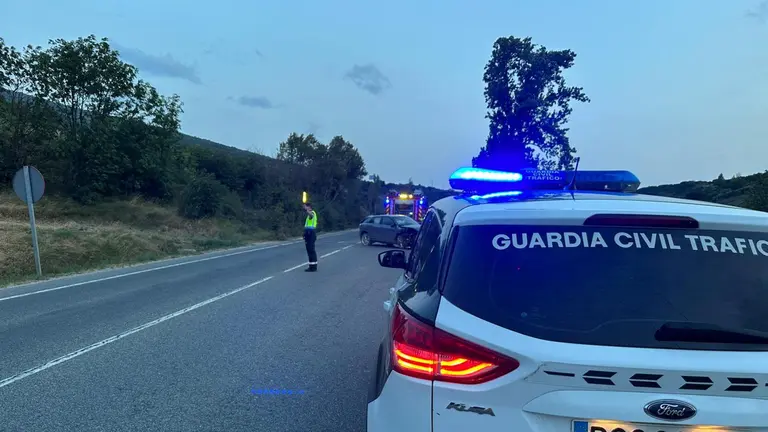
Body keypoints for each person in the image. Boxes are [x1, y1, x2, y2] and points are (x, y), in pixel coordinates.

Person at [303, 202, 318, 272]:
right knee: (309, 250)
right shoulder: (309, 214)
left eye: (305, 206)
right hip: (308, 233)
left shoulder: (312, 213)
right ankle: (311, 266)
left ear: (309, 207)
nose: (304, 208)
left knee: (311, 250)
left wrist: (307, 211)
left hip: (311, 233)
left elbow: (311, 215)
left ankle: (313, 267)